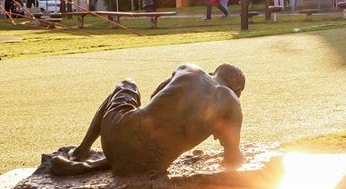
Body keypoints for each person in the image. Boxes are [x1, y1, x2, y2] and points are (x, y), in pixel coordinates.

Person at [50, 62, 246, 177]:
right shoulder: (231, 103)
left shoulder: (190, 68)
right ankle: (91, 159)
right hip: (153, 165)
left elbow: (154, 100)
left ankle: (80, 152)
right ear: (237, 91)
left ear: (215, 72)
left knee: (127, 84)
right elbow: (233, 158)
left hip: (118, 137)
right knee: (150, 141)